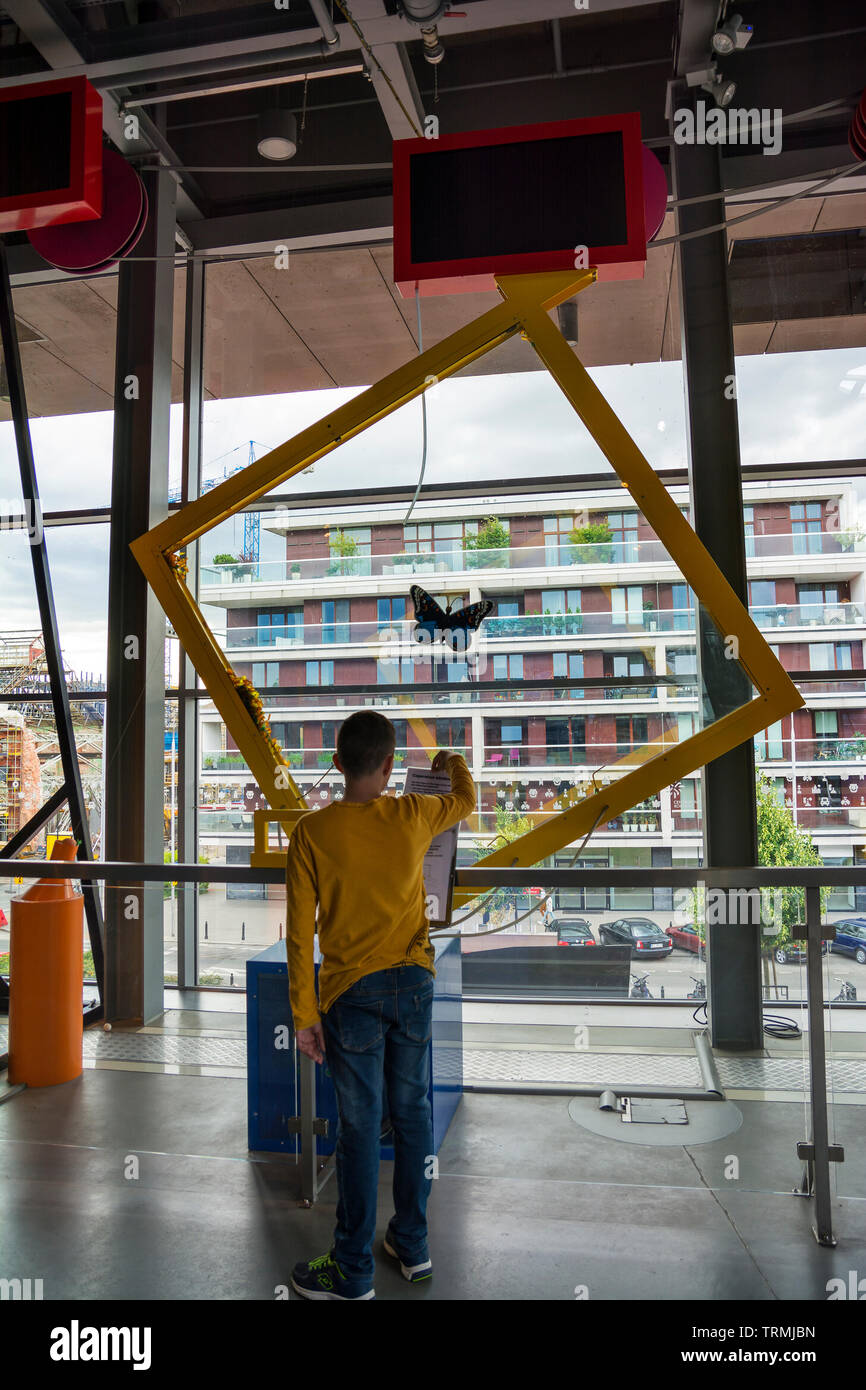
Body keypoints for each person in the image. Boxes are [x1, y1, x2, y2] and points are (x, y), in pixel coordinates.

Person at [285, 710, 475, 1300]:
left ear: (338, 763)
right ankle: (412, 1246)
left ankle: (353, 1270)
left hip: (351, 996)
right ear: (391, 766)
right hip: (414, 983)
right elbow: (466, 797)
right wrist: (449, 762)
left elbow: (298, 934)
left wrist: (305, 1015)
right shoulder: (415, 814)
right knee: (413, 1113)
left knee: (361, 1126)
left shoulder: (311, 834)